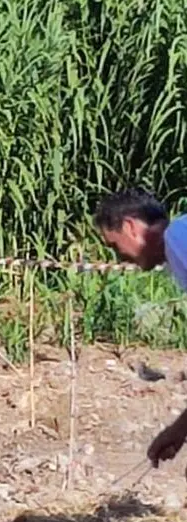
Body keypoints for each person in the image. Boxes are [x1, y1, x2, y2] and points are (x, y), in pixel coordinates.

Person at [92, 188, 187, 468]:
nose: (119, 257)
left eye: (113, 245)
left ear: (130, 227)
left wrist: (179, 429)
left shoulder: (178, 239)